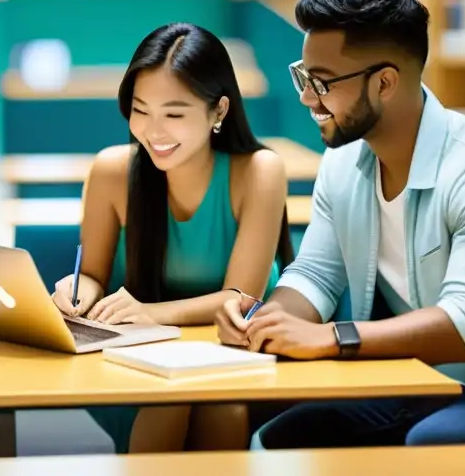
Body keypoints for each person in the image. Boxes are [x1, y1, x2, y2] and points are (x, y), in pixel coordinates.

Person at [215, 0, 465, 448]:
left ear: (385, 83)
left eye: (321, 83)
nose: (307, 98)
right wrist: (266, 321)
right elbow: (318, 275)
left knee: (432, 446)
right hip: (400, 379)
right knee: (279, 435)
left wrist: (329, 338)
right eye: (303, 77)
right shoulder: (344, 160)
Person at [51, 22, 295, 453]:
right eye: (141, 110)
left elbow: (240, 298)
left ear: (219, 112)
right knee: (166, 405)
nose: (154, 131)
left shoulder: (260, 171)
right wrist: (76, 289)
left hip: (235, 353)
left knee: (225, 408)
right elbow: (92, 274)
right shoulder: (112, 171)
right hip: (137, 359)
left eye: (175, 113)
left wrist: (151, 313)